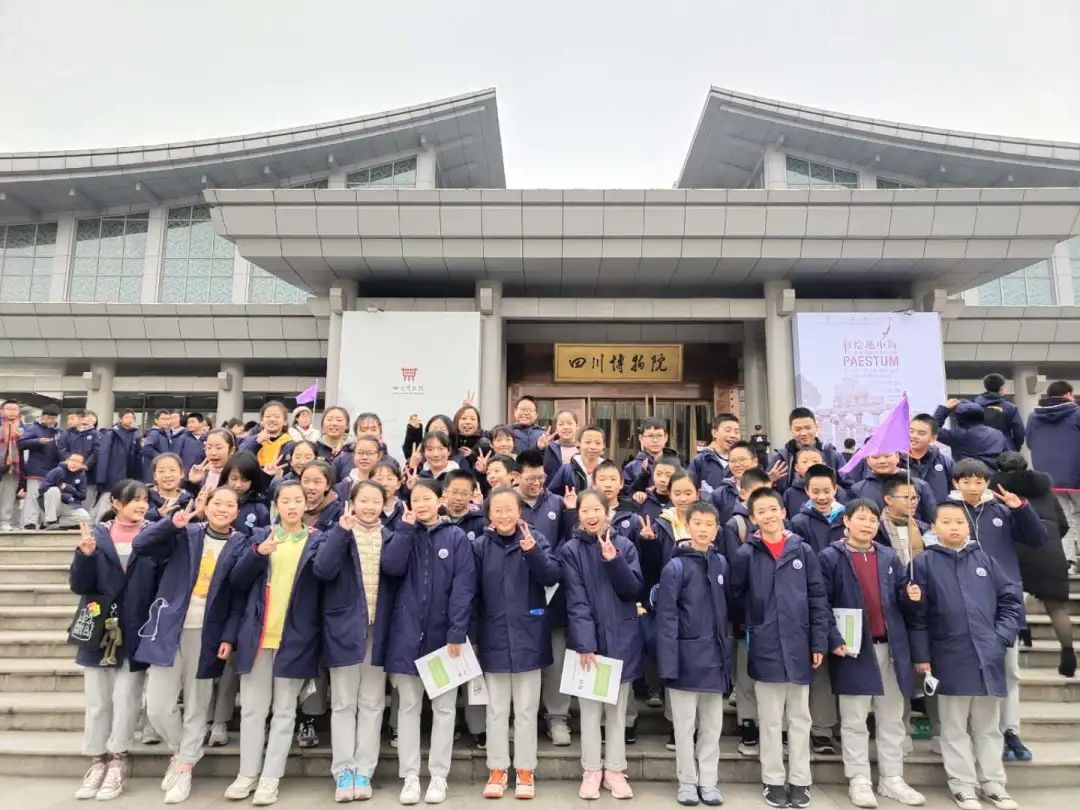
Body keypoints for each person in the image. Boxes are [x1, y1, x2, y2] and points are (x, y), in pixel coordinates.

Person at [133, 487, 246, 804]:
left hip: (208, 633)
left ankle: (184, 767)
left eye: (229, 505)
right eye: (216, 503)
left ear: (237, 512)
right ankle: (183, 751)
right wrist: (170, 523)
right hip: (169, 627)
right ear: (205, 505)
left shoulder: (240, 543)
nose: (222, 509)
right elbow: (141, 545)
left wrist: (229, 636)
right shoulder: (187, 533)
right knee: (157, 706)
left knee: (198, 704)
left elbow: (238, 596)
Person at [910, 502, 1023, 810]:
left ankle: (993, 784)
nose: (954, 527)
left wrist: (1000, 636)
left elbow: (1010, 601)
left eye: (959, 521)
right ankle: (963, 785)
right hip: (949, 654)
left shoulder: (984, 560)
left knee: (988, 726)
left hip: (988, 654)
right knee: (954, 727)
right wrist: (922, 655)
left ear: (968, 526)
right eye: (946, 522)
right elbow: (917, 617)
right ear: (934, 527)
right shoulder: (924, 563)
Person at [818, 499, 927, 808]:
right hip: (853, 648)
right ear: (846, 521)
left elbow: (902, 602)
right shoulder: (830, 557)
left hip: (891, 647)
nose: (867, 525)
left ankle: (892, 778)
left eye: (872, 520)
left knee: (891, 717)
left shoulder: (888, 556)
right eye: (861, 518)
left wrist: (911, 596)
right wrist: (832, 637)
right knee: (854, 718)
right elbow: (821, 602)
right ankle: (859, 778)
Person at [225, 480, 326, 806]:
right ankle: (247, 774)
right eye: (286, 500)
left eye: (298, 500)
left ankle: (270, 778)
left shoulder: (317, 540)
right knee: (253, 710)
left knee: (284, 711)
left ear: (306, 505)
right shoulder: (260, 537)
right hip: (258, 636)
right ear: (276, 505)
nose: (292, 506)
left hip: (296, 638)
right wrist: (258, 554)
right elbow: (237, 581)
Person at [729, 488, 830, 809]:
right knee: (770, 719)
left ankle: (800, 779)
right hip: (766, 644)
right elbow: (736, 597)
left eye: (774, 509)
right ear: (753, 518)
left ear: (784, 512)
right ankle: (773, 779)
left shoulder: (802, 550)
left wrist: (818, 640)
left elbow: (817, 597)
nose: (769, 516)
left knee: (800, 717)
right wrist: (755, 621)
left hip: (799, 643)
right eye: (762, 511)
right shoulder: (746, 554)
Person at [381, 479, 475, 805]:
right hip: (405, 636)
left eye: (427, 498)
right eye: (415, 499)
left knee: (444, 708)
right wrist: (405, 531)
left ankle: (438, 776)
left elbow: (464, 587)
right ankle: (409, 776)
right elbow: (391, 567)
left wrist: (456, 632)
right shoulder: (401, 532)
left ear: (440, 499)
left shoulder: (456, 537)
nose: (421, 505)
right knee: (407, 707)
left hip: (443, 639)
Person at [949, 458, 1046, 761]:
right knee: (968, 670)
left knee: (1009, 670)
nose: (973, 487)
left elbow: (1037, 538)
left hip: (1004, 603)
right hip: (962, 603)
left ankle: (1010, 731)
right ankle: (977, 733)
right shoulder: (947, 513)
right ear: (956, 483)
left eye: (978, 481)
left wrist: (1021, 509)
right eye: (966, 481)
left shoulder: (1003, 509)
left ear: (987, 483)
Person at [70, 480, 158, 801]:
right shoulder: (97, 536)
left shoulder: (153, 536)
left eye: (145, 500)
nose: (141, 505)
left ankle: (118, 758)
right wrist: (85, 555)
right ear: (116, 503)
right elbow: (79, 585)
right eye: (134, 500)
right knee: (97, 700)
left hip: (135, 628)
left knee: (127, 697)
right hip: (100, 627)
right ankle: (97, 759)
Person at [473, 487, 560, 800]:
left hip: (529, 636)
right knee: (496, 710)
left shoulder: (536, 539)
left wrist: (532, 551)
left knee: (525, 710)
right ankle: (497, 769)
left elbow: (552, 576)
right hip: (493, 636)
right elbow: (472, 594)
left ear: (520, 511)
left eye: (510, 509)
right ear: (489, 514)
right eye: (498, 510)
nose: (504, 515)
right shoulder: (480, 546)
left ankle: (525, 770)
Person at [313, 480, 396, 802]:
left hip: (379, 630)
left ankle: (364, 770)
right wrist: (341, 532)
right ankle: (343, 770)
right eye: (364, 500)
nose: (370, 506)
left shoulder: (390, 537)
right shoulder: (337, 533)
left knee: (372, 703)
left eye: (376, 501)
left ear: (384, 505)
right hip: (344, 628)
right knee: (344, 703)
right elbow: (323, 570)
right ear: (352, 503)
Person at [560, 488, 643, 801]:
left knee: (617, 711)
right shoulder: (571, 550)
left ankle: (615, 770)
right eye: (585, 510)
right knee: (590, 712)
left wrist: (614, 561)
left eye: (597, 509)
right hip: (589, 644)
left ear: (608, 513)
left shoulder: (625, 545)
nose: (592, 515)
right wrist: (585, 644)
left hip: (622, 638)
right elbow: (575, 600)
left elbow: (632, 590)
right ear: (578, 514)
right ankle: (592, 769)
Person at [655, 500, 731, 807]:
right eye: (697, 523)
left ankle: (709, 780)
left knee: (712, 725)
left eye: (709, 524)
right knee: (684, 727)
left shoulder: (721, 563)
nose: (702, 529)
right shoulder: (675, 567)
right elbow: (666, 618)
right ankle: (687, 780)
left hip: (715, 657)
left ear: (716, 529)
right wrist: (668, 663)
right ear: (687, 526)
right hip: (685, 657)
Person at [991, 452, 1076, 678]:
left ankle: (1024, 633)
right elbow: (1064, 525)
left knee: (1012, 596)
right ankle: (1068, 655)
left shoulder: (996, 489)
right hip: (1050, 551)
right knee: (1056, 608)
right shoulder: (1045, 489)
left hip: (1015, 547)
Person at [514, 450, 574, 748]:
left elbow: (568, 541)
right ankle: (519, 717)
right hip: (517, 593)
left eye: (542, 477)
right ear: (516, 477)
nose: (537, 483)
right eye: (531, 478)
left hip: (554, 591)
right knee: (520, 658)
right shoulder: (505, 502)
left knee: (556, 657)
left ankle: (557, 717)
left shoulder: (558, 503)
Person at [1025, 380, 1080, 575]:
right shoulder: (1077, 413)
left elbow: (1029, 442)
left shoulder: (1033, 416)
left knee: (1063, 519)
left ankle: (1069, 561)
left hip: (1049, 476)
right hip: (1076, 474)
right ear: (1067, 395)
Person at [767, 407, 846, 492]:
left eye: (808, 428)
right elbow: (766, 493)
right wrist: (768, 481)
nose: (803, 433)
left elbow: (848, 488)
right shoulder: (780, 459)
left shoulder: (833, 456)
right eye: (798, 429)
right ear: (790, 429)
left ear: (816, 427)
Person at [849, 453, 936, 525]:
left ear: (897, 457)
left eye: (887, 456)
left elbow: (932, 521)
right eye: (875, 457)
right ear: (867, 460)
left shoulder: (919, 485)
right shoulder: (858, 489)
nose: (882, 461)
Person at [19, 403, 60, 530]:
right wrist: (37, 441)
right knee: (33, 496)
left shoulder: (57, 432)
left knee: (48, 496)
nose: (50, 420)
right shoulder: (34, 428)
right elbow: (21, 443)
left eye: (53, 418)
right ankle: (30, 522)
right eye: (47, 417)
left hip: (52, 470)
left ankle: (45, 521)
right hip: (36, 469)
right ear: (42, 416)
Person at [790, 465, 846, 554]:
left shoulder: (846, 519)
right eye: (815, 492)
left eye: (826, 491)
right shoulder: (798, 523)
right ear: (807, 490)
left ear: (835, 489)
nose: (821, 497)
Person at [932, 401, 1006, 467]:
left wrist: (944, 409)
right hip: (993, 475)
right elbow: (1006, 456)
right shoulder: (998, 434)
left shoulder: (957, 435)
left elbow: (932, 429)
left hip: (966, 475)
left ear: (958, 419)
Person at [876, 476, 928, 565]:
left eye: (915, 497)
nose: (913, 502)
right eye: (907, 497)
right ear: (888, 500)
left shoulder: (924, 529)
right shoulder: (876, 530)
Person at [688, 413, 742, 496]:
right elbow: (689, 488)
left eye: (736, 432)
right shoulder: (701, 460)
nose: (733, 435)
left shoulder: (744, 461)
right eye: (728, 430)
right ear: (714, 433)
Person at [220, 453, 271, 538]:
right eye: (234, 479)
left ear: (253, 481)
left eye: (245, 480)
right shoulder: (216, 501)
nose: (238, 485)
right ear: (226, 478)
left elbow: (264, 538)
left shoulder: (259, 509)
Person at [907, 414, 954, 506]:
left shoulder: (945, 462)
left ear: (933, 438)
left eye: (921, 433)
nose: (914, 436)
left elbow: (954, 491)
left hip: (938, 513)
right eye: (911, 431)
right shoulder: (897, 461)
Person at [623, 417, 677, 497]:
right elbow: (625, 494)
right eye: (650, 436)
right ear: (641, 438)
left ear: (666, 437)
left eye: (659, 435)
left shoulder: (676, 463)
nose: (655, 440)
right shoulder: (631, 467)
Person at [547, 424, 607, 495]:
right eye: (588, 442)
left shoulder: (609, 470)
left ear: (603, 446)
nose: (593, 447)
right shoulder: (567, 470)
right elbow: (551, 495)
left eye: (598, 443)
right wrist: (565, 500)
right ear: (578, 444)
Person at [238, 402, 294, 473]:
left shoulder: (291, 445)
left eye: (276, 417)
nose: (272, 419)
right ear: (262, 421)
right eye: (268, 416)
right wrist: (256, 442)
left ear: (285, 421)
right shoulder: (251, 440)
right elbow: (239, 459)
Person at [41, 451, 92, 529]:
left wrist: (71, 490)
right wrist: (62, 495)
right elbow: (42, 488)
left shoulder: (82, 475)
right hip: (53, 503)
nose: (74, 463)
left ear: (82, 465)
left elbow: (83, 495)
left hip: (69, 504)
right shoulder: (58, 471)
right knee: (53, 490)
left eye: (78, 462)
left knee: (85, 518)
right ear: (67, 461)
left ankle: (58, 522)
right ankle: (50, 521)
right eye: (72, 460)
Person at [975, 373, 1025, 452]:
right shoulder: (1010, 408)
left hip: (981, 450)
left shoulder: (975, 407)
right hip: (1005, 451)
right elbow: (1019, 433)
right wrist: (1014, 447)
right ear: (1001, 387)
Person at [185, 428, 237, 498]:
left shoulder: (238, 475)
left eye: (218, 448)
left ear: (231, 450)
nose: (213, 453)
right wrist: (193, 482)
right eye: (209, 448)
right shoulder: (204, 473)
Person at [145, 453, 193, 523]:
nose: (167, 475)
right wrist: (156, 514)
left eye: (172, 470)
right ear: (154, 476)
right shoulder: (145, 498)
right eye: (161, 471)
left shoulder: (189, 500)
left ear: (182, 473)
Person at [299, 459, 343, 532]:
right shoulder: (291, 506)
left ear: (327, 485)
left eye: (317, 482)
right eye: (306, 481)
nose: (311, 487)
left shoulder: (337, 512)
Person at [782, 447, 825, 517]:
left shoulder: (834, 490)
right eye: (805, 462)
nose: (810, 465)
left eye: (815, 461)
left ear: (823, 465)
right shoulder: (789, 493)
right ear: (796, 467)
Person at [0, 399, 21, 532]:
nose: (12, 412)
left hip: (13, 465)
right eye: (9, 409)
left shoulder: (24, 427)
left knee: (8, 495)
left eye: (15, 409)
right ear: (2, 411)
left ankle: (5, 522)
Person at [542, 409, 580, 479]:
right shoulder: (550, 448)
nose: (565, 427)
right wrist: (541, 449)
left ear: (577, 426)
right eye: (561, 424)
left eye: (569, 423)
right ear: (556, 428)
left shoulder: (582, 448)